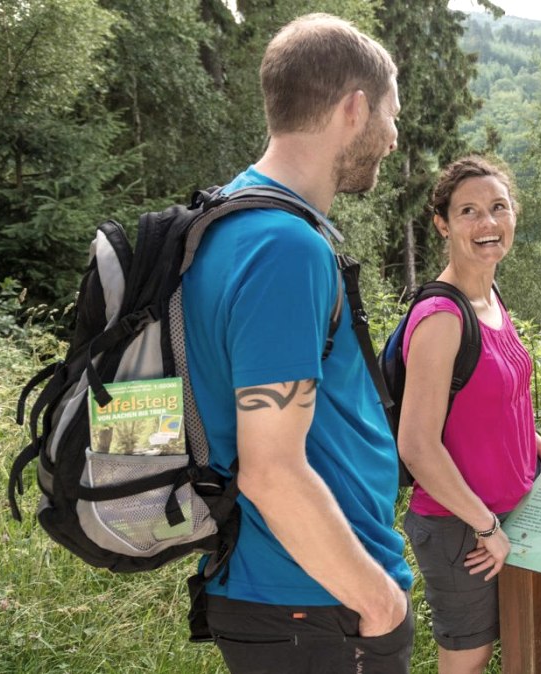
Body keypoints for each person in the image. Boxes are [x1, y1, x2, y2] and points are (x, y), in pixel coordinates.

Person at [180, 14, 413, 674]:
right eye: (391, 115)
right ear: (354, 108)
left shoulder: (226, 220)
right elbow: (271, 470)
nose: (393, 137)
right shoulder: (283, 248)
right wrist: (379, 601)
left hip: (292, 601)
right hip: (312, 604)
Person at [396, 155, 541, 673]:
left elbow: (499, 404)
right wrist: (484, 526)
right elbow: (416, 446)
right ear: (442, 224)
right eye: (468, 211)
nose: (488, 222)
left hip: (513, 500)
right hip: (459, 522)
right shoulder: (441, 318)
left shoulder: (490, 299)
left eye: (498, 207)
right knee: (471, 656)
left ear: (513, 215)